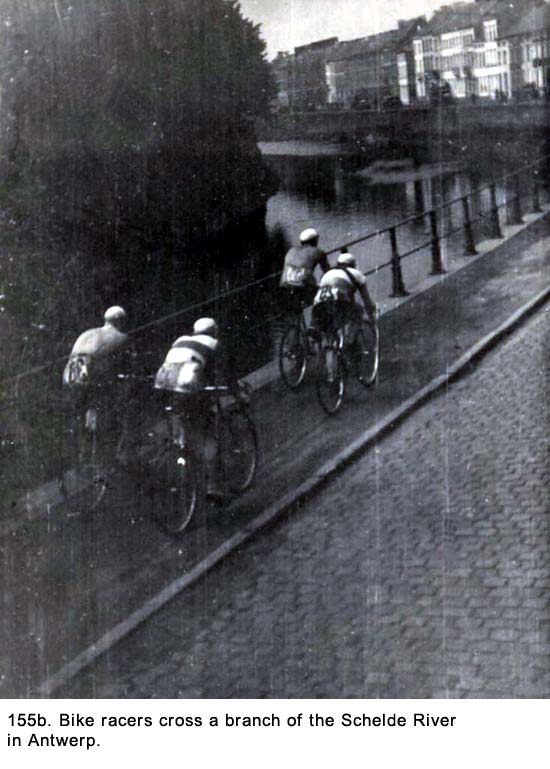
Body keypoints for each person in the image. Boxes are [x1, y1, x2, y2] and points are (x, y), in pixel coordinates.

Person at [154, 317, 225, 498]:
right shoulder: (213, 343)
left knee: (179, 424)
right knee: (208, 434)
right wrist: (236, 392)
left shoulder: (180, 340)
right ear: (213, 331)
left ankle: (180, 448)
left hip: (163, 386)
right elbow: (223, 372)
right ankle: (212, 486)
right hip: (187, 389)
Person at [312, 252, 377, 342]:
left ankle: (329, 347)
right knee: (358, 312)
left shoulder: (328, 273)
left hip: (319, 302)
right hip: (339, 300)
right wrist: (371, 313)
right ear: (352, 264)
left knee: (329, 325)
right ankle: (349, 342)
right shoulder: (356, 273)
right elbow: (366, 299)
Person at [280, 228, 331, 310]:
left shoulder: (291, 250)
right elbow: (327, 272)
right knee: (322, 297)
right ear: (314, 240)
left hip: (285, 283)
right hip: (303, 284)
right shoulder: (318, 251)